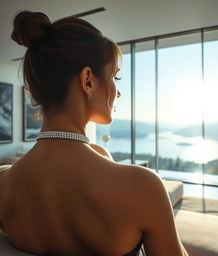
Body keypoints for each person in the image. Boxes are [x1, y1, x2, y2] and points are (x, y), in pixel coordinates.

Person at [0, 11, 189, 256]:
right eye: (115, 76)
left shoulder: (4, 183)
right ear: (88, 80)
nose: (118, 92)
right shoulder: (143, 187)